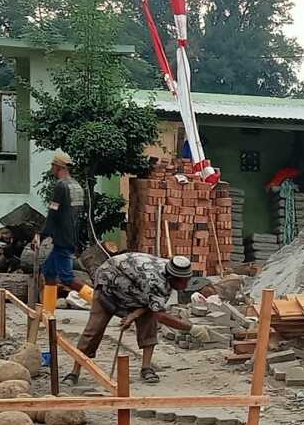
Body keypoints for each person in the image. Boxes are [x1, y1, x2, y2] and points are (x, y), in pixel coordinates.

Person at [63, 253, 194, 386]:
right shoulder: (155, 281)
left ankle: (146, 368)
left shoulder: (170, 268)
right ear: (172, 278)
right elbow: (160, 315)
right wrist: (191, 328)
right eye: (183, 281)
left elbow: (152, 307)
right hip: (108, 285)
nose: (186, 284)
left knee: (148, 322)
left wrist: (133, 315)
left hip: (135, 290)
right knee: (93, 329)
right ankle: (75, 372)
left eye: (187, 279)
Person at [37, 151, 95, 312]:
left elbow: (53, 215)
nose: (52, 168)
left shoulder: (61, 186)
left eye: (53, 165)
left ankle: (99, 302)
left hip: (62, 238)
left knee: (67, 278)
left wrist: (41, 236)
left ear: (58, 166)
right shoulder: (76, 186)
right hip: (71, 237)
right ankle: (48, 314)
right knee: (48, 271)